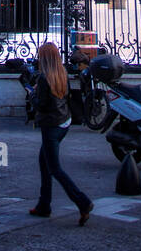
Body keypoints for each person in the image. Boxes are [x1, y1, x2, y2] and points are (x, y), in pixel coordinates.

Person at [29, 41, 93, 225]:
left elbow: (41, 104)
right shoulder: (62, 73)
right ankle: (44, 205)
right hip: (64, 122)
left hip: (51, 125)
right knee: (44, 162)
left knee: (55, 168)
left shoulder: (43, 78)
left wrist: (32, 95)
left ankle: (83, 202)